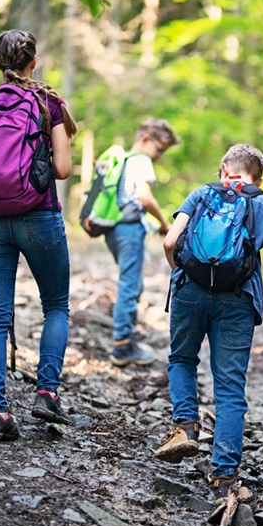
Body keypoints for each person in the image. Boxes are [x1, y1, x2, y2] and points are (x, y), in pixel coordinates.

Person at [158, 144, 263, 502]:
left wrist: (185, 275)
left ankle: (186, 426)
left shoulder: (201, 194)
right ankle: (225, 476)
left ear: (224, 168)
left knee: (182, 359)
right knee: (229, 386)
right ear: (260, 179)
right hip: (238, 300)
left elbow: (170, 241)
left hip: (189, 292)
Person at [0, 30, 78, 441]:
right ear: (34, 62)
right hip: (39, 217)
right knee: (56, 307)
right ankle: (46, 393)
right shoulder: (49, 104)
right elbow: (62, 170)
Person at [105, 118, 178, 367]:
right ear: (146, 139)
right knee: (131, 285)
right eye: (159, 149)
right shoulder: (141, 160)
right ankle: (122, 346)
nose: (159, 156)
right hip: (129, 230)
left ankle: (124, 339)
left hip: (114, 229)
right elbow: (144, 197)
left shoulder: (125, 161)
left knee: (129, 282)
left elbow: (127, 200)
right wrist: (165, 223)